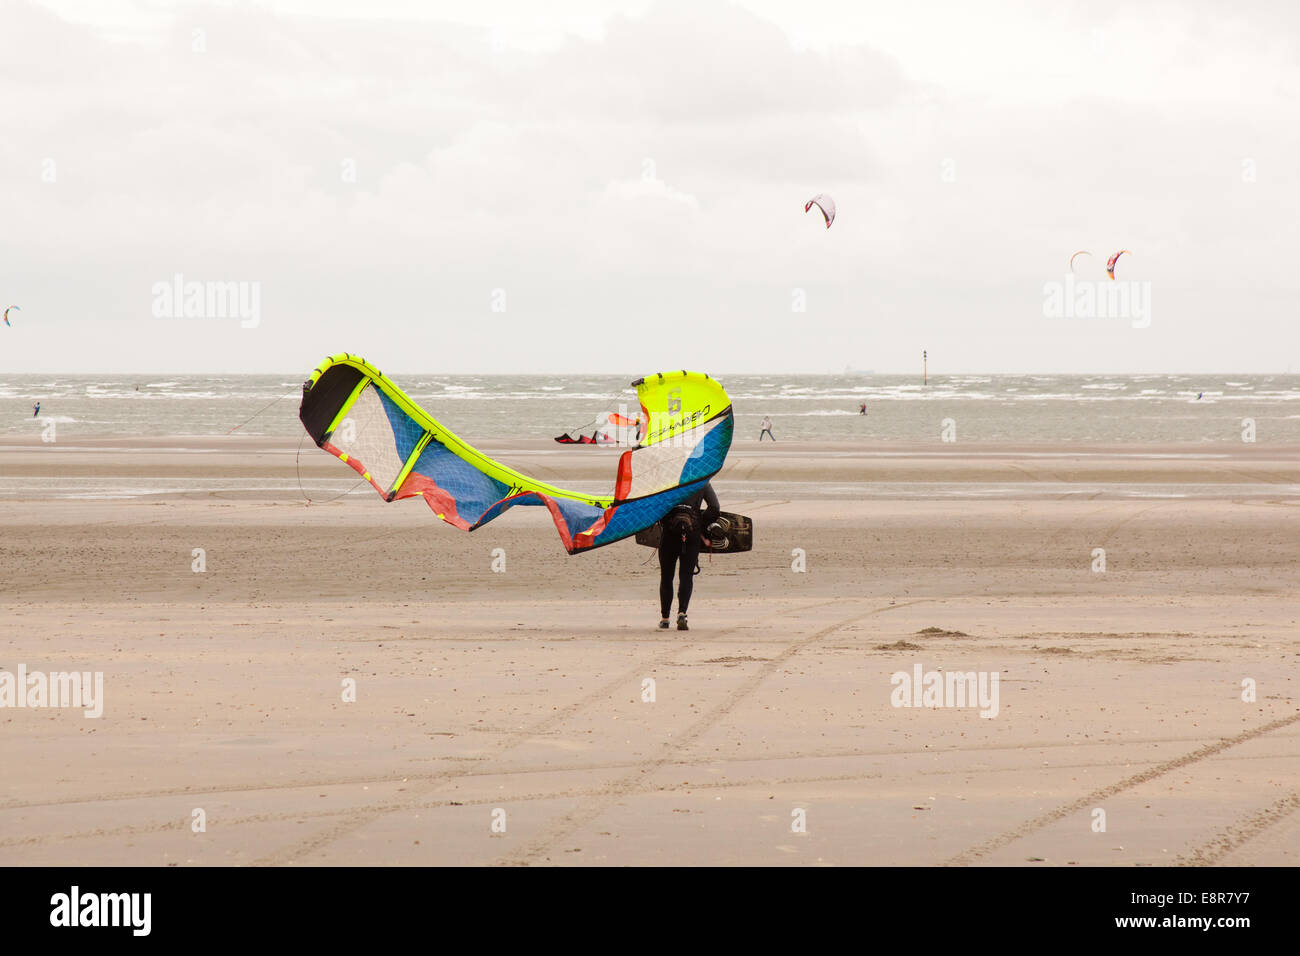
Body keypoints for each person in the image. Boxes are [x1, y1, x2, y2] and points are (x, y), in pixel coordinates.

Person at [657, 482, 722, 631]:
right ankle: (682, 613)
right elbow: (714, 508)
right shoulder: (702, 482)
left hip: (669, 534)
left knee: (667, 576)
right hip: (692, 534)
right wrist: (699, 521)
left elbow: (657, 506)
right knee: (686, 575)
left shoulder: (670, 481)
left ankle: (665, 618)